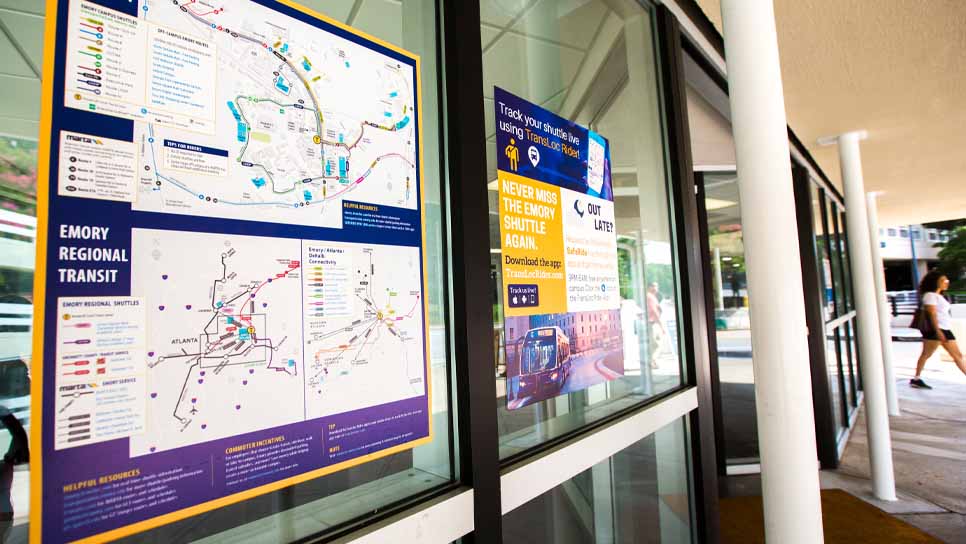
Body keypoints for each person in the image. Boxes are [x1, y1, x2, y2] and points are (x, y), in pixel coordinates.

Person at [911, 271, 966, 388]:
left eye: (947, 281)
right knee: (956, 356)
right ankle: (916, 378)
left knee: (927, 354)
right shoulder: (930, 296)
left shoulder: (939, 296)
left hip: (943, 329)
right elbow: (932, 314)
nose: (946, 283)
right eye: (943, 281)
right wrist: (938, 331)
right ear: (935, 282)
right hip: (937, 330)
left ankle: (916, 378)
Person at [646, 282, 669, 367]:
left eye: (657, 286)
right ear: (649, 287)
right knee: (656, 344)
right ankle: (652, 361)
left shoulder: (651, 297)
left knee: (655, 343)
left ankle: (652, 361)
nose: (656, 288)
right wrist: (661, 325)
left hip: (652, 322)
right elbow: (654, 311)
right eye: (654, 286)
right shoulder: (650, 297)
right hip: (653, 323)